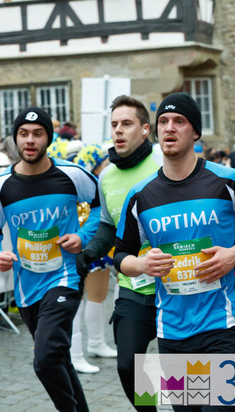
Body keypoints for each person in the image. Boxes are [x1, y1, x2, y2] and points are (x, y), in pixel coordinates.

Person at [113, 93, 235, 412]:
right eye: (163, 121)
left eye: (179, 121)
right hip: (172, 331)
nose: (169, 128)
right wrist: (142, 264)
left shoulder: (227, 181)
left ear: (196, 132)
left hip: (222, 324)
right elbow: (121, 256)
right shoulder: (141, 195)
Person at [0, 107, 100, 411]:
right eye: (23, 134)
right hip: (26, 286)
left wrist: (82, 236)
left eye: (38, 133)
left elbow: (100, 208)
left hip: (65, 277)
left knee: (45, 357)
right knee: (58, 359)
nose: (30, 140)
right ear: (15, 138)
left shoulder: (72, 174)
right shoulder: (1, 185)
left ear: (48, 138)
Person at [74, 95, 161, 410]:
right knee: (128, 366)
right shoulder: (106, 176)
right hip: (133, 284)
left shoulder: (164, 163)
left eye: (127, 123)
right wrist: (91, 250)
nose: (118, 131)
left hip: (174, 286)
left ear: (145, 129)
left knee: (184, 369)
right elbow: (108, 225)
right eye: (114, 125)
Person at [69, 144, 116, 374]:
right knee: (76, 298)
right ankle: (75, 353)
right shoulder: (86, 189)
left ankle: (96, 342)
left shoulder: (100, 183)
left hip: (100, 246)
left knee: (98, 295)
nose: (108, 164)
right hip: (84, 245)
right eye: (104, 162)